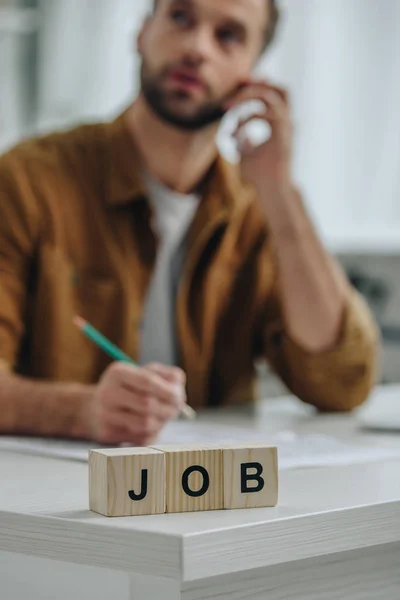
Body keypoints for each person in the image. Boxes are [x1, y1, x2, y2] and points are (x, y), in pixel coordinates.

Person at [0, 0, 379, 445]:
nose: (197, 47)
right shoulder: (27, 181)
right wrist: (81, 412)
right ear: (142, 33)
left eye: (229, 35)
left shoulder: (254, 209)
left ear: (254, 69)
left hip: (208, 500)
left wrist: (280, 194)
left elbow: (341, 382)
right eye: (181, 17)